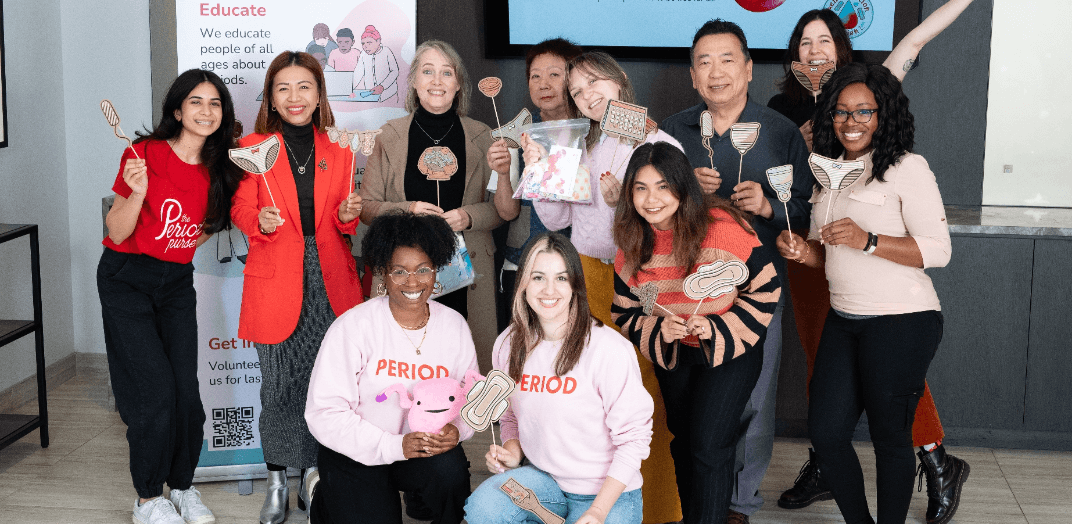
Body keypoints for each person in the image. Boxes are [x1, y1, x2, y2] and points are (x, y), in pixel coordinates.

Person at [767, 5, 975, 521]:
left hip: (901, 317)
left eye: (863, 112)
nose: (851, 121)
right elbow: (825, 249)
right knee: (828, 432)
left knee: (888, 436)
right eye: (841, 113)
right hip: (844, 315)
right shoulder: (826, 169)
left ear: (882, 112)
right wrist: (804, 250)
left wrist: (869, 240)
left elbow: (939, 251)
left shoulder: (906, 166)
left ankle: (931, 466)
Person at [660, 19, 811, 524]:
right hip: (682, 290)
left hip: (755, 292)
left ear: (748, 69)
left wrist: (767, 207)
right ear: (692, 76)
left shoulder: (780, 132)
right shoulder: (673, 131)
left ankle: (738, 502)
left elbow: (805, 211)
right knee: (688, 399)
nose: (716, 71)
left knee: (753, 400)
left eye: (727, 59)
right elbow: (647, 203)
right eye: (704, 62)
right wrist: (683, 190)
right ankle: (691, 494)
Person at [527, 50, 685, 524]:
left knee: (641, 396)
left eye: (594, 82)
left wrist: (625, 206)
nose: (587, 95)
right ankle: (591, 505)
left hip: (640, 281)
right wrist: (540, 170)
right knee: (587, 395)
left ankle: (657, 511)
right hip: (587, 278)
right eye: (577, 91)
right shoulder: (579, 145)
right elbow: (556, 219)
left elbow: (675, 223)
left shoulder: (657, 142)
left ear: (619, 80)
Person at [98, 68, 241, 524]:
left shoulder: (222, 169)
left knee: (186, 396)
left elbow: (206, 228)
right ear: (177, 110)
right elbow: (116, 231)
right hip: (127, 279)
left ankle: (180, 487)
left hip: (176, 282)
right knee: (154, 393)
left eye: (215, 103)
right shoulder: (144, 154)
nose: (206, 111)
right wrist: (138, 193)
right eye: (196, 101)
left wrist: (175, 248)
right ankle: (146, 499)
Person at [611, 142, 781, 524]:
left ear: (682, 187)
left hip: (731, 348)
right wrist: (658, 327)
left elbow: (766, 288)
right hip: (676, 352)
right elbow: (625, 311)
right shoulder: (631, 242)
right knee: (685, 441)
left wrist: (716, 325)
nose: (651, 199)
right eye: (640, 188)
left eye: (663, 186)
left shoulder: (722, 228)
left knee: (709, 445)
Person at [230, 51, 364, 524]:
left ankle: (313, 474)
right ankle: (276, 481)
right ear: (270, 97)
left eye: (304, 86)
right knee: (278, 386)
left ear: (319, 94)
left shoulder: (339, 148)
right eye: (283, 88)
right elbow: (240, 208)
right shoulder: (253, 147)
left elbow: (345, 220)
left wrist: (347, 216)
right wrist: (259, 220)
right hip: (275, 280)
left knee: (324, 384)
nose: (294, 97)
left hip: (330, 279)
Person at [465, 232, 654, 524]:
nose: (549, 290)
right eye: (538, 277)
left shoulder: (608, 349)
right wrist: (512, 451)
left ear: (575, 284)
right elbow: (510, 415)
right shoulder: (508, 344)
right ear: (523, 283)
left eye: (561, 278)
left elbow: (634, 439)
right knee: (483, 509)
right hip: (544, 481)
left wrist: (597, 511)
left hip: (606, 493)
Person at [305, 211, 478, 524]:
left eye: (423, 269)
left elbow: (469, 398)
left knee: (450, 475)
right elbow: (325, 413)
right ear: (383, 273)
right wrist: (392, 445)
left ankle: (421, 502)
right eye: (400, 271)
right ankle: (326, 497)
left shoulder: (454, 326)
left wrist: (458, 430)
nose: (413, 281)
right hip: (357, 451)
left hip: (419, 449)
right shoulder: (353, 327)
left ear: (436, 269)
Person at [360, 39, 503, 372]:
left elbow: (502, 209)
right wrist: (408, 209)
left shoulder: (483, 136)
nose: (437, 81)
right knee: (401, 362)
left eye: (447, 72)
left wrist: (469, 216)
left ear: (458, 84)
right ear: (413, 80)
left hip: (467, 273)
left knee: (465, 366)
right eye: (427, 71)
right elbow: (366, 207)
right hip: (403, 269)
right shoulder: (389, 135)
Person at [486, 37, 581, 330]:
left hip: (578, 269)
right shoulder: (518, 137)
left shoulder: (591, 137)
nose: (544, 84)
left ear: (574, 79)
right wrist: (503, 173)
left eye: (554, 74)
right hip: (522, 266)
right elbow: (507, 212)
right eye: (535, 76)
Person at [352, 25, 400, 102]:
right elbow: (358, 72)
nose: (365, 46)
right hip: (371, 96)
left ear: (378, 41)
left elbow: (395, 71)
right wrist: (350, 88)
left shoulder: (386, 51)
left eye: (369, 43)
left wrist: (382, 86)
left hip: (389, 95)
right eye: (363, 43)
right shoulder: (363, 54)